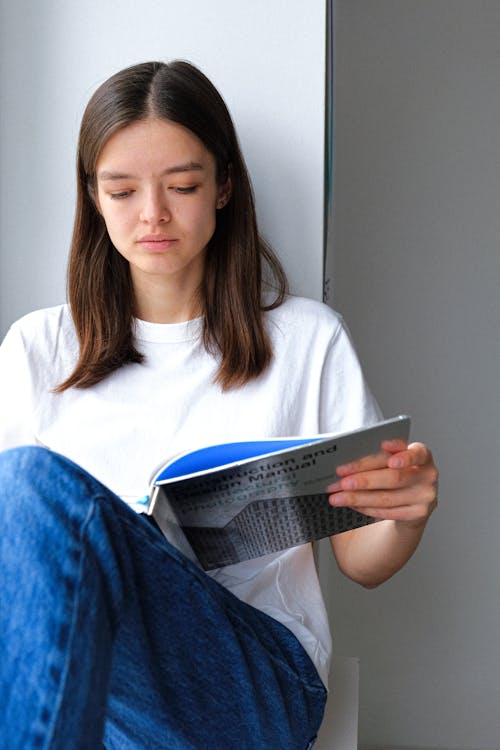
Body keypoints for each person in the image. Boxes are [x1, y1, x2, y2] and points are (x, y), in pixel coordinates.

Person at [0, 60, 438, 750]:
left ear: (224, 185)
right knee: (29, 502)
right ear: (92, 198)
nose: (153, 215)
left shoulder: (304, 340)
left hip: (253, 683)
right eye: (120, 191)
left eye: (182, 186)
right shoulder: (37, 349)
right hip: (100, 693)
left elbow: (362, 560)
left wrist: (404, 516)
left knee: (30, 484)